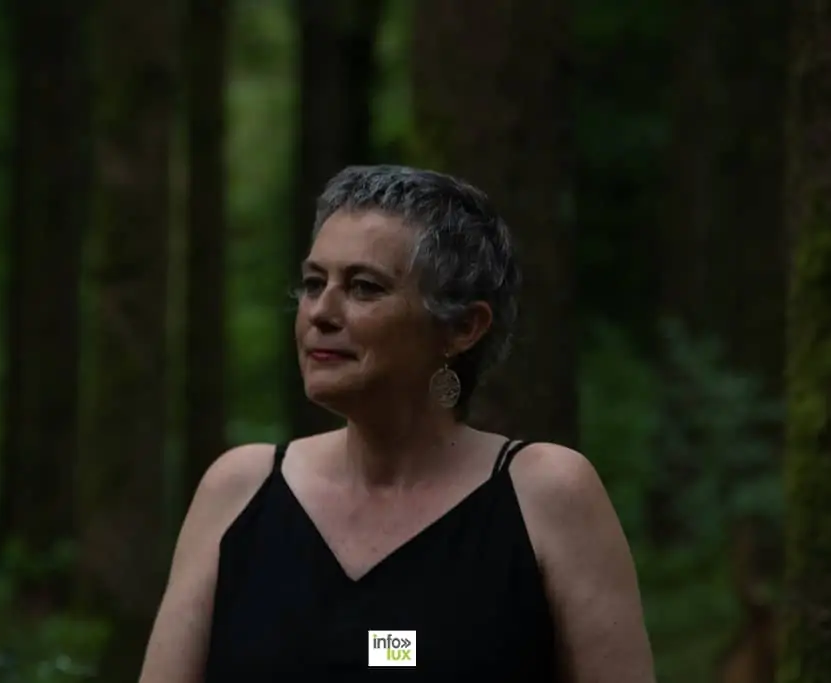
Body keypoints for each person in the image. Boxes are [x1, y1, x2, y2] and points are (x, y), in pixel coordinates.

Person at [137, 165, 656, 681]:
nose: (320, 312)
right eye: (314, 283)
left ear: (462, 327)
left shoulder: (545, 495)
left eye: (364, 287)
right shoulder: (240, 491)